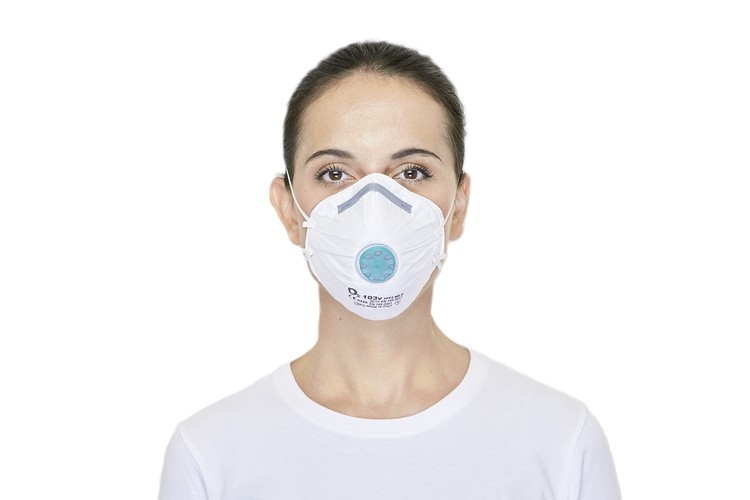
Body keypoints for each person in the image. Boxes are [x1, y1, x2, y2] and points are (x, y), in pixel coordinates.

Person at [158, 40, 622, 499]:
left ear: (458, 206)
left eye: (412, 172)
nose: (375, 209)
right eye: (335, 174)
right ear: (289, 210)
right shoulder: (210, 454)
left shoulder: (561, 441)